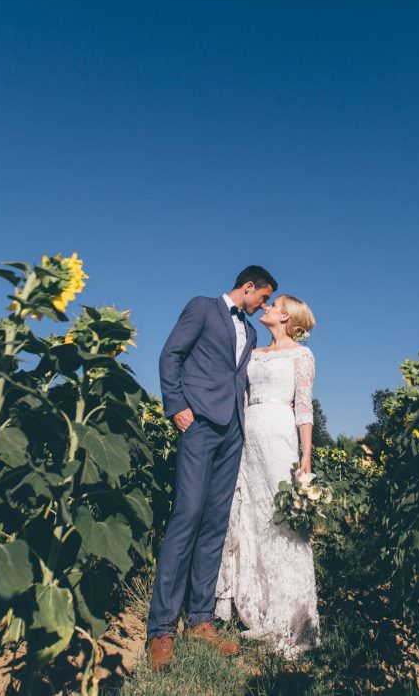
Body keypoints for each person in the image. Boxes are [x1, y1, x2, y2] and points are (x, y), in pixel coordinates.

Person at [145, 265, 277, 672]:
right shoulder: (202, 308)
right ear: (248, 287)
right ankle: (161, 628)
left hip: (233, 433)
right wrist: (177, 406)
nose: (264, 305)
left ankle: (200, 620)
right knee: (187, 516)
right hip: (199, 424)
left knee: (215, 524)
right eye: (263, 297)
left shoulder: (252, 333)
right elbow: (172, 354)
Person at [214, 294, 320, 659]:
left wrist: (306, 455)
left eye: (273, 306)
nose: (267, 308)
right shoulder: (254, 351)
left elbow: (303, 407)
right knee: (251, 517)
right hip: (247, 436)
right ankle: (256, 606)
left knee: (282, 520)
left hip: (278, 435)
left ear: (287, 317)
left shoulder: (302, 356)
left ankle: (292, 618)